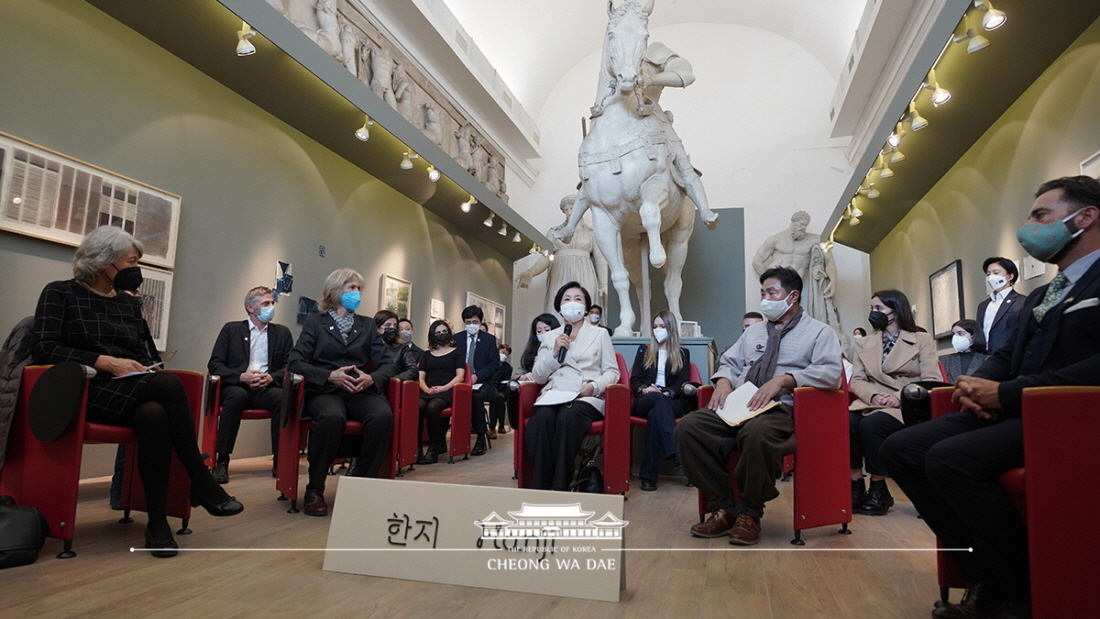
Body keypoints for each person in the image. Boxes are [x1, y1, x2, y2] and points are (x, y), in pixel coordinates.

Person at [882, 176, 1100, 619]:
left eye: (1041, 215)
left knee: (949, 459)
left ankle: (1020, 590)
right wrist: (975, 384)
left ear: (1086, 217)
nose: (1029, 227)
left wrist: (1005, 392)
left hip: (1068, 416)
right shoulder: (1044, 292)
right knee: (900, 448)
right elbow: (1007, 353)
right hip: (1013, 408)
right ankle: (982, 573)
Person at [32, 225, 242, 558]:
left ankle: (157, 524)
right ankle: (200, 480)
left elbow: (145, 355)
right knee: (169, 385)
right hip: (86, 391)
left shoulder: (129, 305)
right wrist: (106, 362)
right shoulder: (61, 293)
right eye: (131, 261)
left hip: (131, 392)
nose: (136, 269)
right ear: (104, 262)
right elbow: (44, 349)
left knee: (155, 414)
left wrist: (142, 366)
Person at [675, 267, 841, 545]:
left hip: (781, 407)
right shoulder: (753, 333)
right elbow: (728, 362)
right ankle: (724, 507)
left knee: (756, 434)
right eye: (762, 293)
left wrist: (786, 379)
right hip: (740, 404)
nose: (765, 299)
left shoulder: (819, 332)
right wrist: (725, 383)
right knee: (689, 428)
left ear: (793, 295)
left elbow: (830, 373)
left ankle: (750, 513)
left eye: (772, 292)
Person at [288, 268, 396, 517]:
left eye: (359, 289)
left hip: (359, 390)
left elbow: (388, 363)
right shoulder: (315, 323)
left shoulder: (367, 325)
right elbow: (295, 361)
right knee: (331, 417)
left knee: (382, 416)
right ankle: (315, 488)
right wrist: (329, 375)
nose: (357, 293)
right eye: (352, 288)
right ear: (336, 290)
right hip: (326, 390)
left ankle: (365, 485)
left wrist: (373, 377)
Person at [848, 289, 940, 516]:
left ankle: (879, 488)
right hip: (871, 400)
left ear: (896, 310)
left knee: (871, 426)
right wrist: (874, 396)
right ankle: (855, 484)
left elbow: (931, 380)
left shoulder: (922, 340)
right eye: (871, 308)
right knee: (847, 422)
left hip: (905, 403)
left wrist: (898, 397)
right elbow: (857, 380)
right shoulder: (864, 343)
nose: (873, 313)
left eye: (879, 308)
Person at [526, 282, 619, 490]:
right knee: (541, 419)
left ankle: (560, 486)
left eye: (578, 299)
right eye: (566, 299)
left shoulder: (600, 334)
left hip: (585, 397)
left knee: (568, 416)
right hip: (555, 395)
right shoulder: (550, 337)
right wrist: (554, 353)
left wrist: (594, 386)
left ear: (586, 307)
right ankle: (540, 487)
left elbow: (613, 372)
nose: (572, 303)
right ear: (559, 307)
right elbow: (539, 377)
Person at [207, 286, 294, 483]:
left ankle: (280, 460)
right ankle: (222, 461)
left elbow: (292, 365)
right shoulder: (231, 329)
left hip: (267, 387)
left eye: (272, 303)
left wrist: (271, 377)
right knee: (236, 397)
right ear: (250, 308)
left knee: (281, 398)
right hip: (237, 386)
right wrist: (240, 376)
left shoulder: (282, 333)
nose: (271, 307)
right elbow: (215, 364)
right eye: (265, 303)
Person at [630, 310, 691, 491]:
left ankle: (648, 477)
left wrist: (668, 393)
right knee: (655, 401)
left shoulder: (682, 353)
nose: (658, 330)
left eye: (662, 326)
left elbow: (683, 382)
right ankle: (675, 451)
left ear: (670, 328)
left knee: (657, 415)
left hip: (669, 401)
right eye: (655, 327)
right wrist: (645, 389)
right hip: (646, 398)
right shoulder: (644, 349)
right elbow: (635, 379)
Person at [453, 305, 500, 456]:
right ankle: (440, 441)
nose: (471, 325)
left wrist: (476, 376)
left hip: (483, 382)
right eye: (468, 322)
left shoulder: (489, 340)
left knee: (476, 397)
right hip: (460, 381)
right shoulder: (456, 339)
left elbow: (494, 364)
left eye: (475, 322)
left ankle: (480, 438)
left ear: (480, 322)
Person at [416, 320, 465, 464]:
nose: (441, 335)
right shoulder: (426, 354)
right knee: (418, 406)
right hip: (428, 390)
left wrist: (444, 388)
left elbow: (460, 376)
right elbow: (420, 376)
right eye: (438, 333)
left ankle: (433, 449)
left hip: (447, 391)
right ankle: (416, 449)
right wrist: (425, 389)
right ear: (432, 335)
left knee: (433, 407)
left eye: (444, 332)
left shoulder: (457, 352)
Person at [976, 256, 1025, 355]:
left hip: (1009, 358)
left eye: (996, 273)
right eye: (988, 274)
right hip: (983, 358)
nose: (991, 277)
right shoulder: (983, 306)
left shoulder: (1022, 302)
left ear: (1010, 277)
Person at [374, 310, 418, 382]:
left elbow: (413, 371)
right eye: (388, 325)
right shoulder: (370, 347)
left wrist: (392, 379)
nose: (392, 328)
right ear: (378, 328)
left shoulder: (402, 349)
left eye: (395, 325)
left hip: (391, 387)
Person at [941, 319, 990, 383]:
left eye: (960, 334)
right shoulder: (943, 360)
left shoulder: (988, 360)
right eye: (953, 334)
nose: (955, 337)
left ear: (974, 336)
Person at [518, 313, 561, 381]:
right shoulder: (532, 351)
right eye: (539, 331)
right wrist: (524, 376)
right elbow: (517, 375)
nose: (543, 333)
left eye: (547, 330)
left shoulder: (562, 348)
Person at [488, 343, 513, 436]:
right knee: (496, 397)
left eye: (506, 354)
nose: (504, 355)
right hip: (490, 388)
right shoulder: (490, 364)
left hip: (501, 390)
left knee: (499, 397)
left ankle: (499, 425)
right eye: (503, 352)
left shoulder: (508, 368)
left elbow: (504, 383)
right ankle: (493, 426)